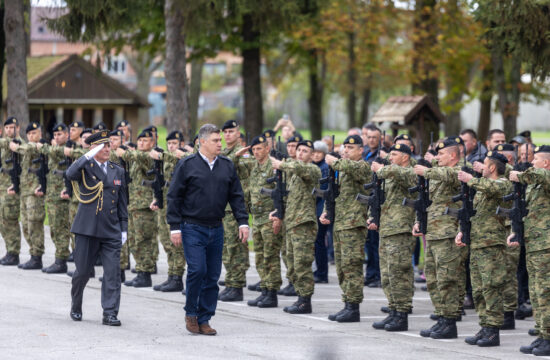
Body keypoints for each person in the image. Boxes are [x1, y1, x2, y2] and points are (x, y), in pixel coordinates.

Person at [167, 124, 249, 336]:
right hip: (192, 226)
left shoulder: (226, 165)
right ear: (202, 142)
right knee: (198, 270)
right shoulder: (187, 165)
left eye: (220, 140)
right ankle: (191, 313)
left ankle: (205, 318)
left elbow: (236, 195)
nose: (219, 144)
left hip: (216, 226)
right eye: (215, 140)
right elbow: (174, 196)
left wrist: (243, 222)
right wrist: (174, 227)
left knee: (212, 275)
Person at [65, 130, 128, 326]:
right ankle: (76, 304)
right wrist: (88, 155)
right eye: (103, 146)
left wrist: (123, 228)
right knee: (83, 272)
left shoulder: (118, 170)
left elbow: (122, 202)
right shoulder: (85, 166)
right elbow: (69, 174)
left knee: (112, 274)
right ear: (93, 148)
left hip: (111, 230)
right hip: (87, 229)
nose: (108, 149)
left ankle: (109, 313)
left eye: (109, 145)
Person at [456, 151, 511, 347]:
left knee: (491, 288)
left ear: (493, 168)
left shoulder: (502, 184)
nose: (481, 167)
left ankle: (493, 330)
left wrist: (471, 179)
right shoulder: (481, 187)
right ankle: (485, 325)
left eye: (485, 164)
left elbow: (492, 188)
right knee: (479, 289)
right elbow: (475, 214)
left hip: (491, 245)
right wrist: (463, 231)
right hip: (478, 242)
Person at [413, 137, 463, 339]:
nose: (437, 157)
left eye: (441, 154)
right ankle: (441, 317)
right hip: (433, 233)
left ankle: (450, 322)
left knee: (447, 280)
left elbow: (450, 175)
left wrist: (427, 169)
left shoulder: (459, 170)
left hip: (448, 234)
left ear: (452, 155)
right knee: (433, 279)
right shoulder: (437, 174)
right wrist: (419, 222)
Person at [320, 135, 371, 322]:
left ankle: (354, 306)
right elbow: (334, 192)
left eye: (351, 148)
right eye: (345, 148)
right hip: (340, 222)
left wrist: (335, 161)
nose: (346, 151)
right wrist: (327, 211)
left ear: (360, 150)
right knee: (342, 266)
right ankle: (347, 302)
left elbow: (353, 169)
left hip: (354, 223)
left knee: (352, 265)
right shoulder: (340, 168)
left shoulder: (363, 166)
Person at [270, 140, 321, 315]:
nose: (300, 153)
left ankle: (305, 301)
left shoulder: (312, 170)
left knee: (302, 263)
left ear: (312, 155)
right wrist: (278, 212)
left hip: (303, 224)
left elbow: (300, 168)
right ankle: (299, 296)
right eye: (298, 150)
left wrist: (281, 164)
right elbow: (289, 198)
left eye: (305, 151)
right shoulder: (293, 173)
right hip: (291, 223)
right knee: (291, 262)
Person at [233, 135, 284, 308]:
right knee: (260, 257)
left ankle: (272, 293)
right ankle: (265, 290)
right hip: (257, 218)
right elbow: (230, 166)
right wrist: (238, 154)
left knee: (270, 256)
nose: (256, 152)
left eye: (259, 149)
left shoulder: (274, 166)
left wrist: (279, 216)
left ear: (267, 148)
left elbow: (281, 192)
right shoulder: (253, 165)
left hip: (270, 218)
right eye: (254, 150)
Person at [370, 143, 417, 331]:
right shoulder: (390, 173)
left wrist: (382, 169)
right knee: (388, 274)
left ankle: (402, 314)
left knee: (400, 273)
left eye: (395, 154)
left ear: (405, 157)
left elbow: (405, 176)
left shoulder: (410, 171)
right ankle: (394, 310)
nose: (390, 157)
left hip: (401, 229)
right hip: (387, 228)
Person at [510, 145, 550, 355]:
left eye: (536, 160)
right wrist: (517, 232)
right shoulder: (535, 185)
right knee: (536, 293)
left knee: (546, 292)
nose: (532, 162)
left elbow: (538, 175)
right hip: (534, 244)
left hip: (546, 246)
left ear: (546, 163)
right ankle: (543, 334)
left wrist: (520, 174)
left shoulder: (545, 179)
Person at [117, 129, 157, 287]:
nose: (141, 143)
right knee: (133, 240)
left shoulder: (151, 156)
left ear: (152, 143)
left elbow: (140, 157)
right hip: (133, 204)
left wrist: (125, 152)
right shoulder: (136, 157)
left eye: (145, 141)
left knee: (143, 240)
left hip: (144, 205)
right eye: (139, 140)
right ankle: (140, 270)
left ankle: (145, 273)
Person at [218, 119, 250, 302]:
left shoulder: (243, 154)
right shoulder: (224, 153)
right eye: (225, 132)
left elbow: (243, 173)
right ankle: (230, 282)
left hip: (235, 208)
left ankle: (237, 286)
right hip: (223, 208)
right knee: (226, 248)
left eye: (231, 131)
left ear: (238, 133)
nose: (228, 135)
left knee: (235, 248)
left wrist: (235, 157)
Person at [10, 122, 46, 270]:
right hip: (25, 191)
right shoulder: (27, 147)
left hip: (34, 192)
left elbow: (26, 149)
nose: (32, 136)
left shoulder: (39, 146)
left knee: (34, 224)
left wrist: (16, 148)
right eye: (29, 134)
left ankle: (37, 256)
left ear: (40, 134)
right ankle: (33, 254)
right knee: (25, 224)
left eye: (34, 133)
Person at [38, 123, 71, 274]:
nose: (57, 137)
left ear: (67, 135)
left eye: (60, 135)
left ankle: (61, 260)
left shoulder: (67, 149)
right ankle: (59, 258)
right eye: (55, 135)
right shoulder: (55, 149)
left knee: (61, 228)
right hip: (52, 195)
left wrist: (46, 146)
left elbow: (46, 149)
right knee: (54, 228)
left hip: (61, 197)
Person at [0, 117, 23, 266]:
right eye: (7, 128)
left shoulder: (19, 145)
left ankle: (14, 253)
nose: (9, 130)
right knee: (3, 221)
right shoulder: (4, 145)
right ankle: (9, 251)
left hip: (12, 189)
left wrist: (17, 186)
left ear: (18, 128)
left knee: (11, 220)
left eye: (12, 128)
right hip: (2, 188)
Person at [362, 123, 382, 288]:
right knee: (368, 242)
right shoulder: (366, 154)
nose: (372, 140)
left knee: (376, 242)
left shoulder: (382, 156)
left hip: (377, 200)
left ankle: (377, 275)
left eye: (375, 137)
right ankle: (370, 274)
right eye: (369, 137)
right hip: (366, 200)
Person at [312, 140, 331, 283]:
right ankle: (318, 270)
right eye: (314, 152)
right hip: (314, 208)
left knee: (320, 241)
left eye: (319, 152)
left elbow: (322, 190)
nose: (316, 155)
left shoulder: (324, 168)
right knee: (316, 242)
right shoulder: (313, 166)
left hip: (321, 209)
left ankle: (322, 273)